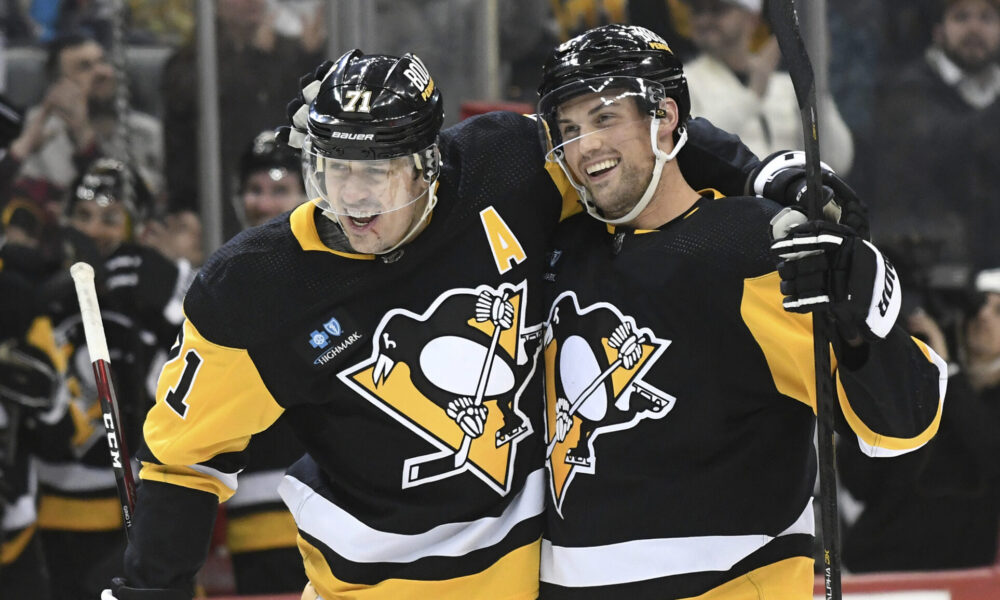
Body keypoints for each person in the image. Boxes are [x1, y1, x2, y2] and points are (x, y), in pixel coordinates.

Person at [101, 39, 829, 597]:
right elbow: (184, 459)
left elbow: (632, 145)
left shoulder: (508, 169)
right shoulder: (253, 286)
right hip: (370, 585)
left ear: (430, 161)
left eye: (378, 172)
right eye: (334, 170)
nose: (353, 200)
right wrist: (150, 587)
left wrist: (763, 175)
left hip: (526, 575)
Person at [533, 24, 945, 598]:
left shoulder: (755, 247)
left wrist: (861, 329)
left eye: (605, 119)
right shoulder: (559, 243)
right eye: (569, 129)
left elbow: (901, 426)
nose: (584, 148)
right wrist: (757, 169)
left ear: (664, 116)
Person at [37, 158, 186, 599]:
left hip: (130, 504)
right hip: (47, 504)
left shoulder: (157, 282)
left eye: (109, 218)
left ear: (137, 227)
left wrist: (156, 302)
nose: (93, 230)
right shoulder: (43, 282)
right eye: (83, 215)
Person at [840, 269, 1000, 571]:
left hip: (959, 570)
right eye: (978, 306)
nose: (982, 317)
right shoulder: (919, 385)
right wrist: (881, 377)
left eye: (998, 311)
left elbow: (992, 452)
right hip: (880, 562)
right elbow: (858, 480)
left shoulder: (970, 393)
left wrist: (946, 372)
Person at [161, 0, 323, 238]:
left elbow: (304, 116)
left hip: (288, 201)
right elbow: (181, 148)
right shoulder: (191, 61)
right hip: (216, 203)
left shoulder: (289, 51)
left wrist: (310, 55)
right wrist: (183, 209)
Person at [872, 0, 1000, 269]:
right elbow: (945, 148)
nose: (975, 28)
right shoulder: (908, 90)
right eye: (961, 17)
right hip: (933, 264)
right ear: (938, 31)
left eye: (986, 18)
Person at [681, 0, 855, 174]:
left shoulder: (787, 86)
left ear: (752, 19)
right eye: (697, 11)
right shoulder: (682, 82)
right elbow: (692, 151)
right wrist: (752, 96)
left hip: (790, 190)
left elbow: (838, 159)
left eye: (718, 10)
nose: (704, 20)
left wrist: (814, 84)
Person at [13, 31, 164, 201]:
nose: (103, 72)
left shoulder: (146, 133)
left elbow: (131, 202)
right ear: (59, 86)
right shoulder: (36, 131)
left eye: (103, 61)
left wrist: (84, 134)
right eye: (84, 67)